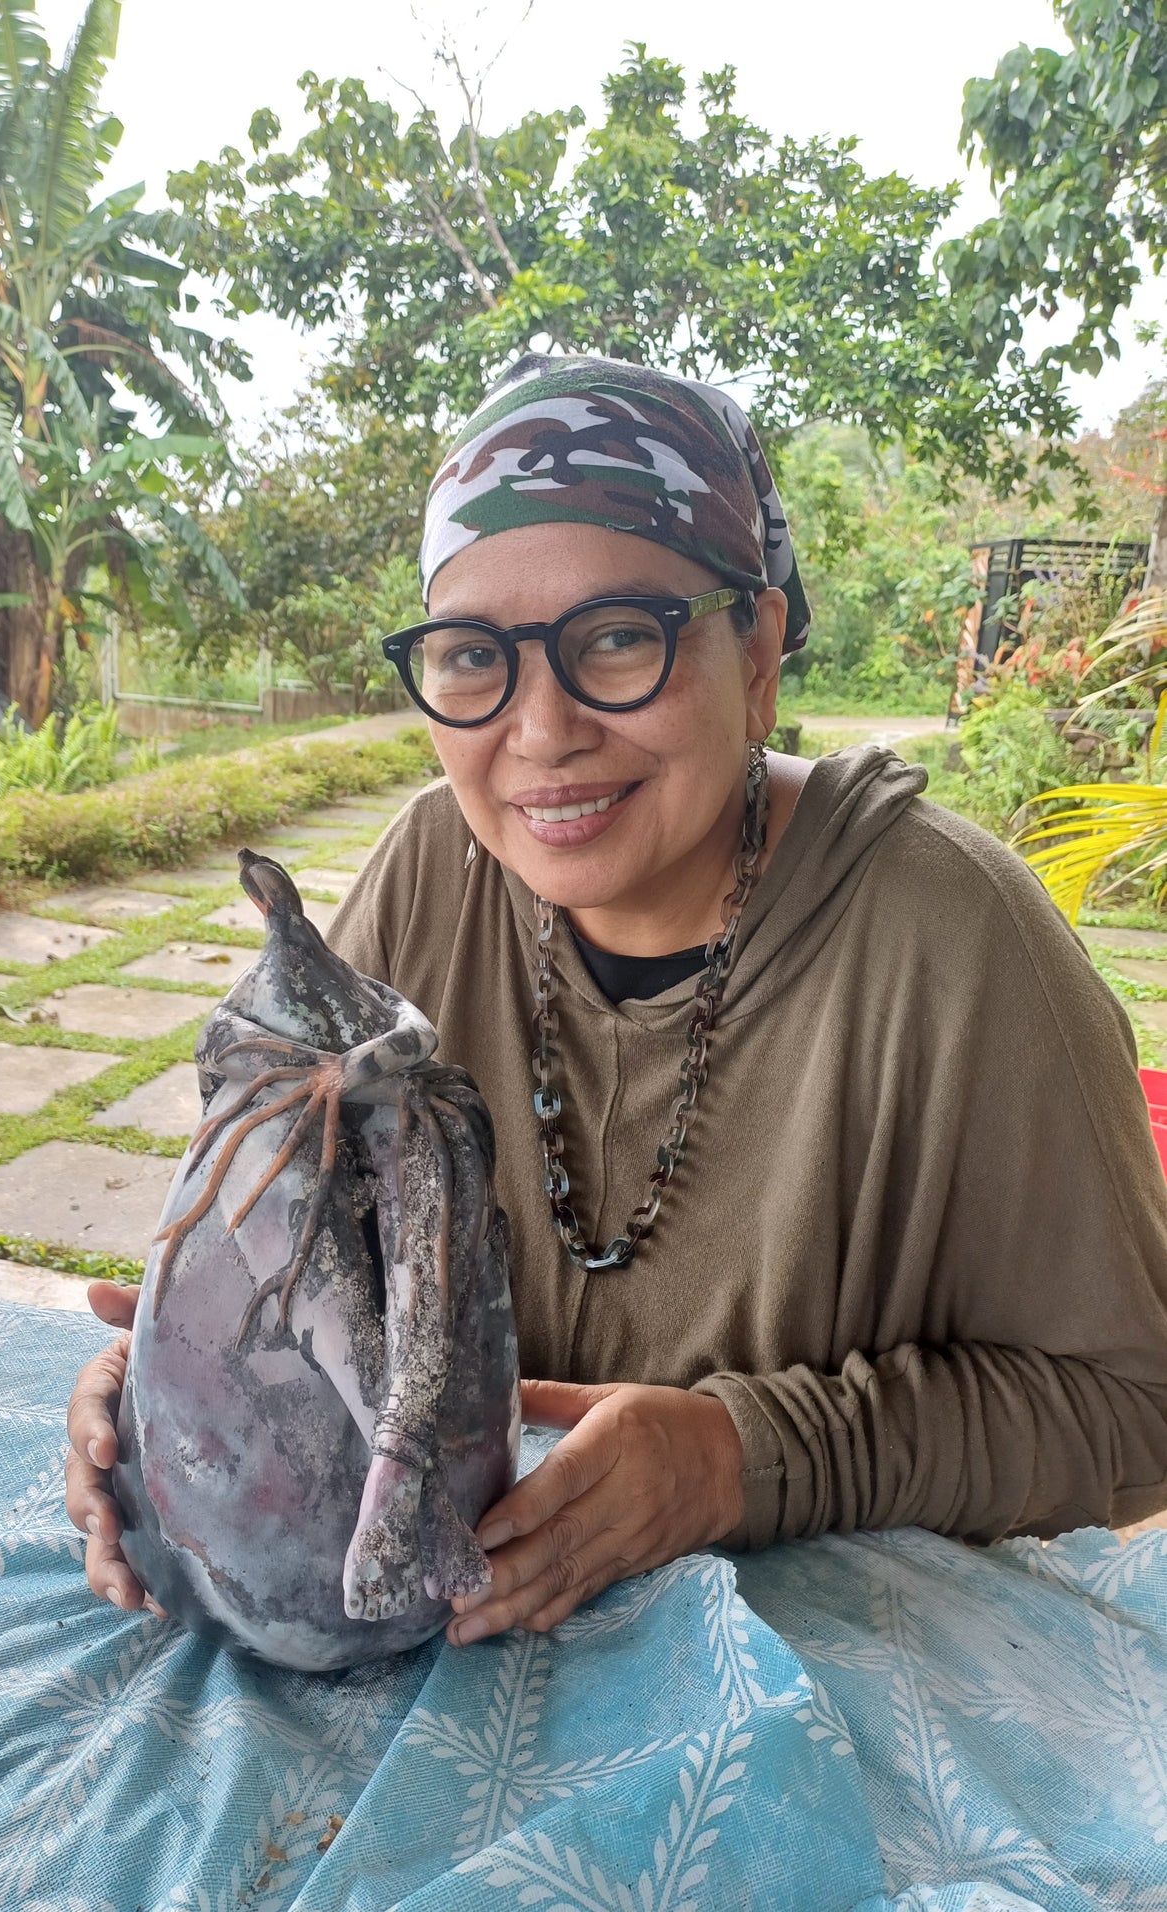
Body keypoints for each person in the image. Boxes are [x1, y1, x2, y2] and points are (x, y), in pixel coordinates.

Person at [65, 354, 1167, 1649]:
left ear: (757, 651)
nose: (541, 732)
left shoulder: (954, 941)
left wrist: (739, 1459)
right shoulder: (430, 873)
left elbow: (1135, 1409)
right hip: (443, 1646)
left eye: (620, 638)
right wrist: (173, 1389)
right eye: (471, 655)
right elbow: (303, 1231)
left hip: (825, 1677)